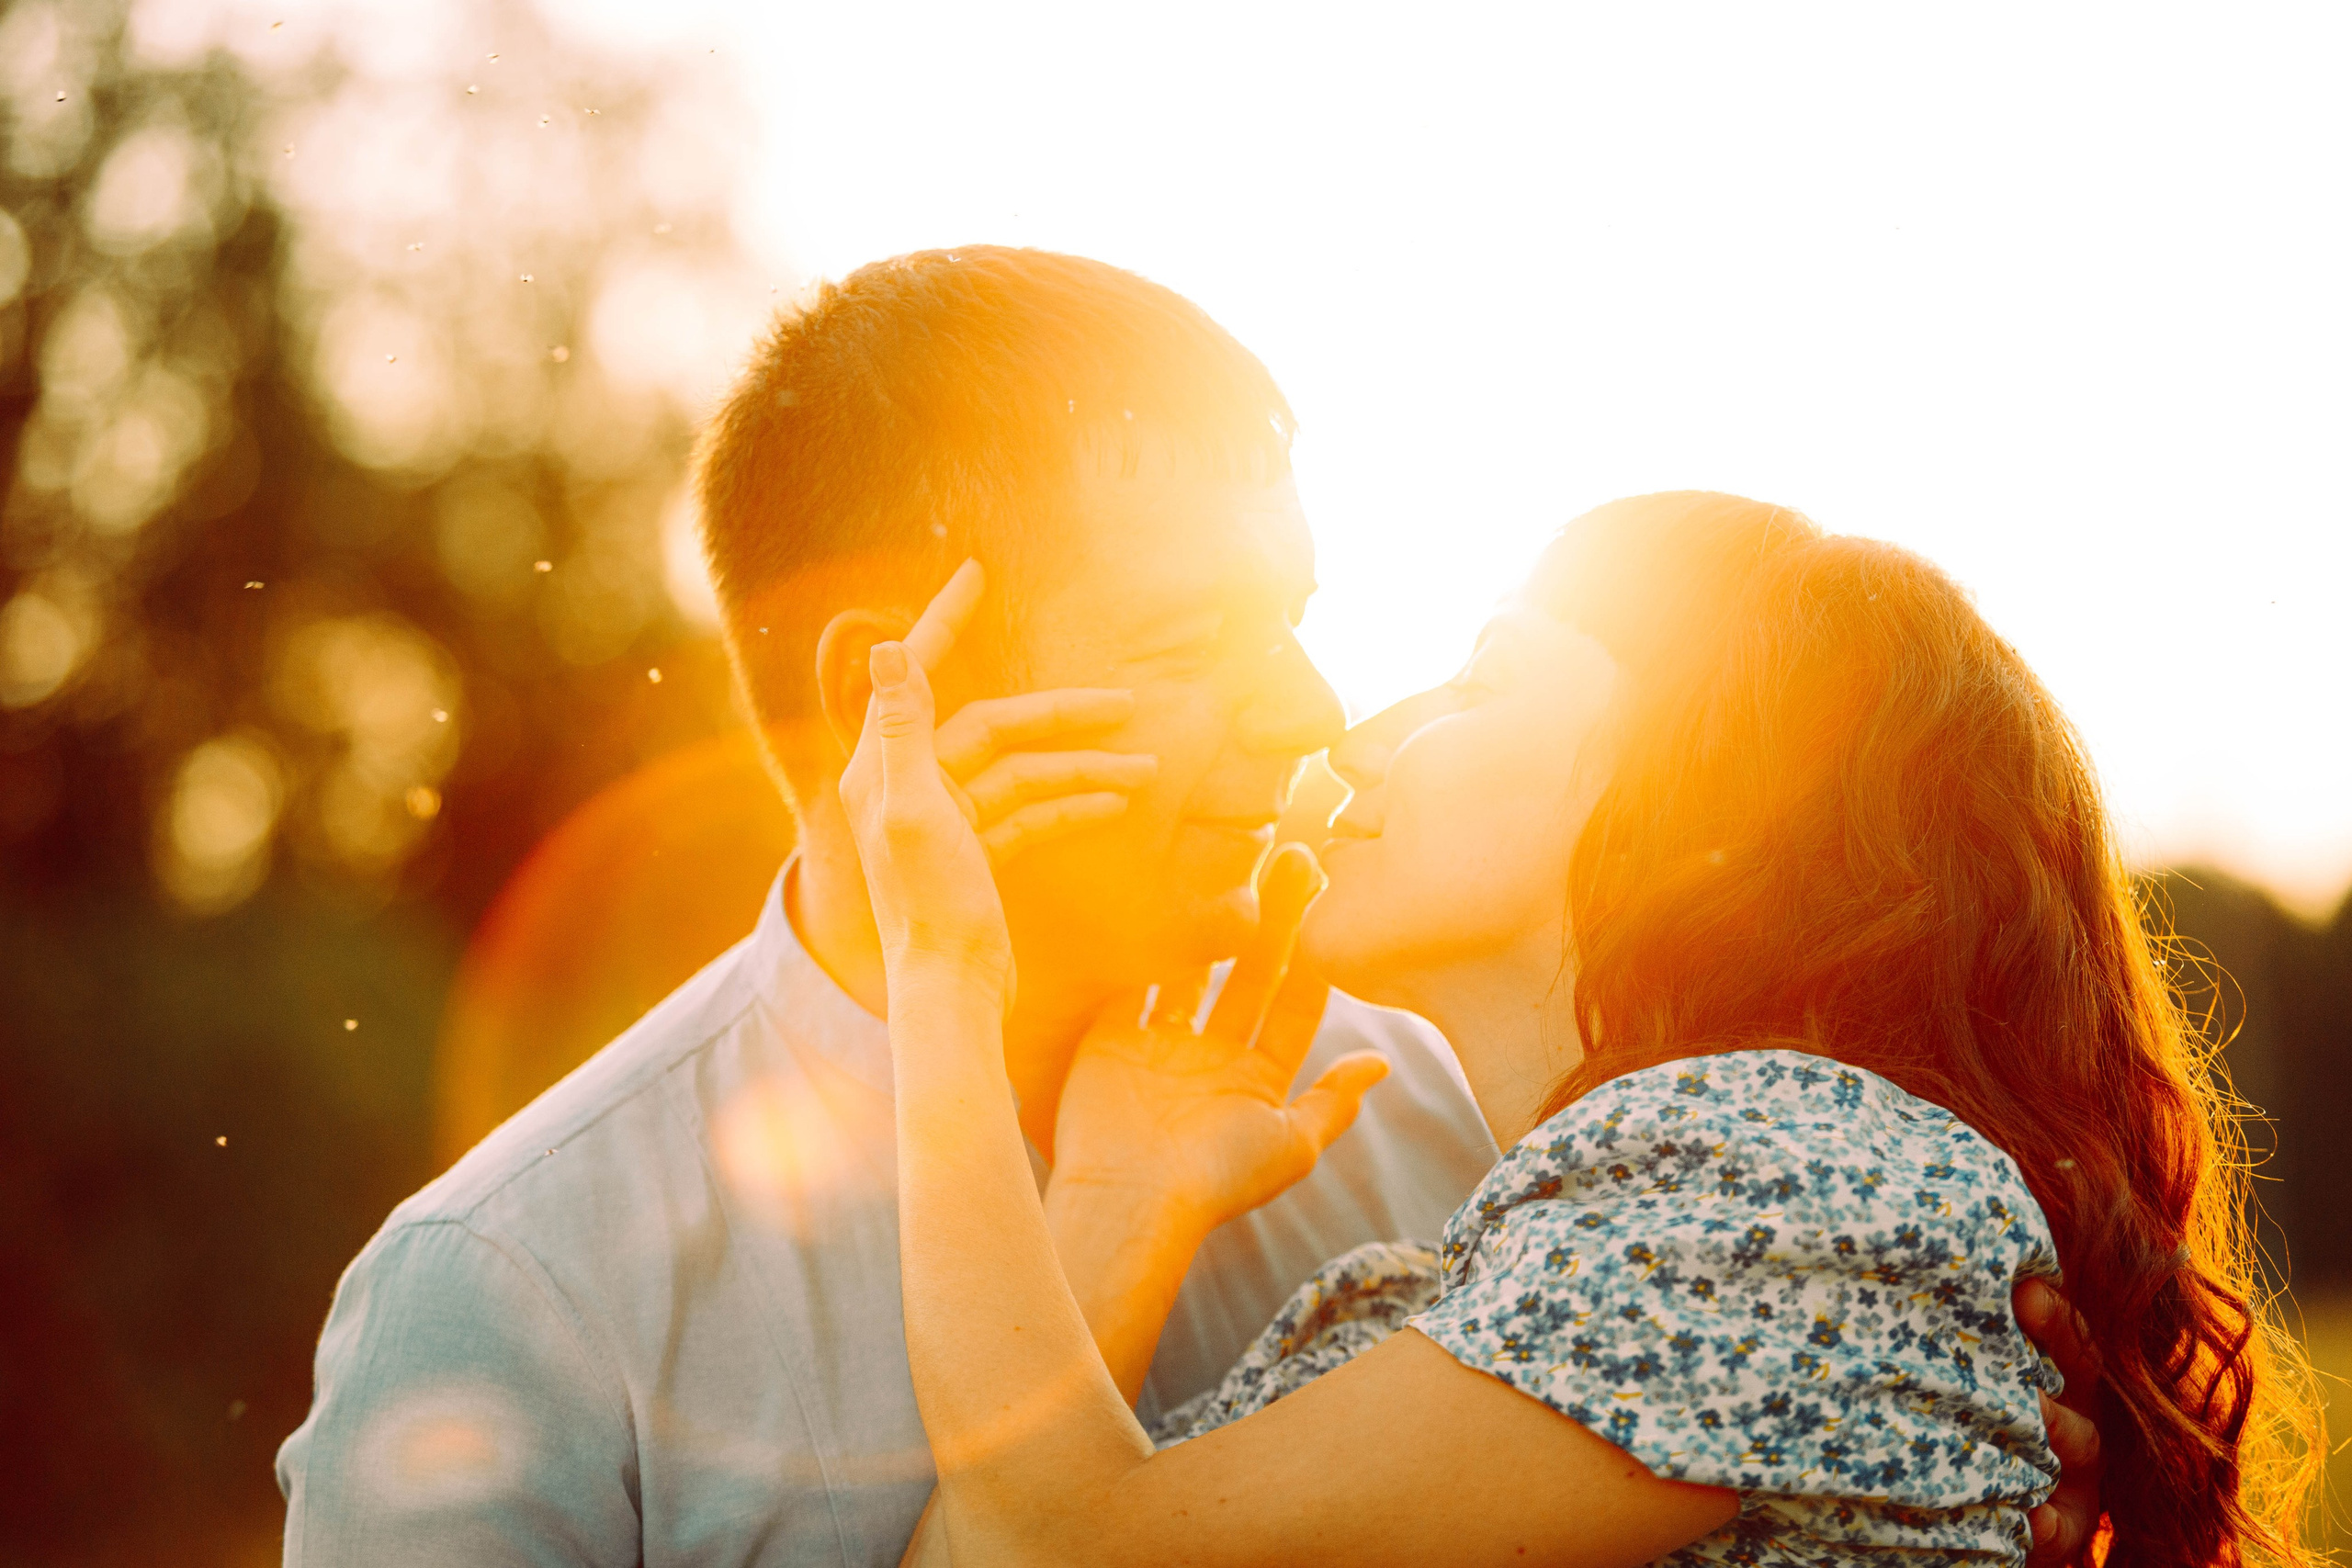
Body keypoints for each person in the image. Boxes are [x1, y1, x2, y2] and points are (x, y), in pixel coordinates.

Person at [276, 251, 2101, 1565]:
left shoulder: (1456, 1126)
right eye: (1187, 640)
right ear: (886, 695)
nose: (1308, 712)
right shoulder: (516, 1288)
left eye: (1295, 616)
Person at [846, 493, 2322, 1565]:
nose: (1349, 738)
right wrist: (1119, 1198)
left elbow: (1081, 1537)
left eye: (1484, 678)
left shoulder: (1799, 1192)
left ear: (1711, 820)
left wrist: (942, 967)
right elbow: (1017, 1544)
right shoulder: (1478, 1294)